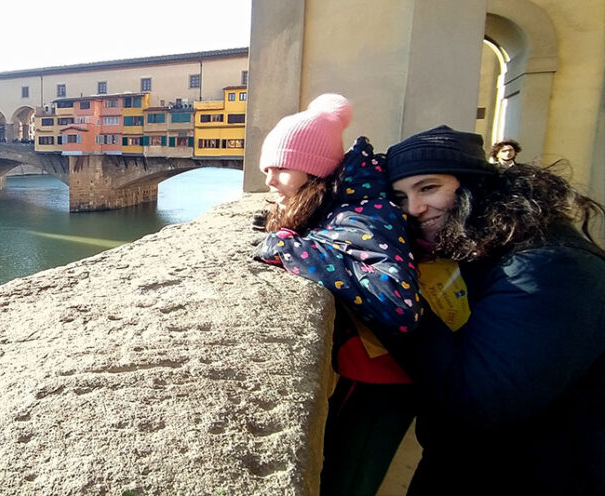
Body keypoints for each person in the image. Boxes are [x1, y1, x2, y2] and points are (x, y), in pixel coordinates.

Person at [385, 125, 605, 495]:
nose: (415, 209)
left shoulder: (549, 265)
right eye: (401, 197)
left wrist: (391, 301)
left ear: (474, 184)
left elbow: (480, 400)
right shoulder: (492, 242)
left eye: (428, 187)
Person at [251, 94, 423, 496]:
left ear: (314, 170)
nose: (269, 181)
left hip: (382, 382)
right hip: (366, 372)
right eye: (267, 169)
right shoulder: (339, 202)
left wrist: (290, 248)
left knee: (349, 479)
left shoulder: (362, 212)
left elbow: (398, 303)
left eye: (280, 168)